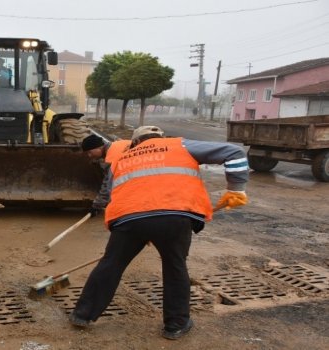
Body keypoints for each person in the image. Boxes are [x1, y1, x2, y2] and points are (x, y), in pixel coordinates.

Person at [69, 125, 249, 340]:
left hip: (130, 219)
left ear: (135, 143)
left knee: (111, 264)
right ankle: (176, 326)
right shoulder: (179, 145)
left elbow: (113, 193)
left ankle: (82, 315)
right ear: (161, 138)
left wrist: (143, 230)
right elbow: (235, 153)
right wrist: (236, 188)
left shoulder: (123, 159)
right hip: (174, 218)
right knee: (175, 267)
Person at [80, 134, 131, 217]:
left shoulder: (111, 157)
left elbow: (108, 185)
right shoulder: (118, 145)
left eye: (90, 152)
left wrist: (96, 206)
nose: (89, 156)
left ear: (99, 147)